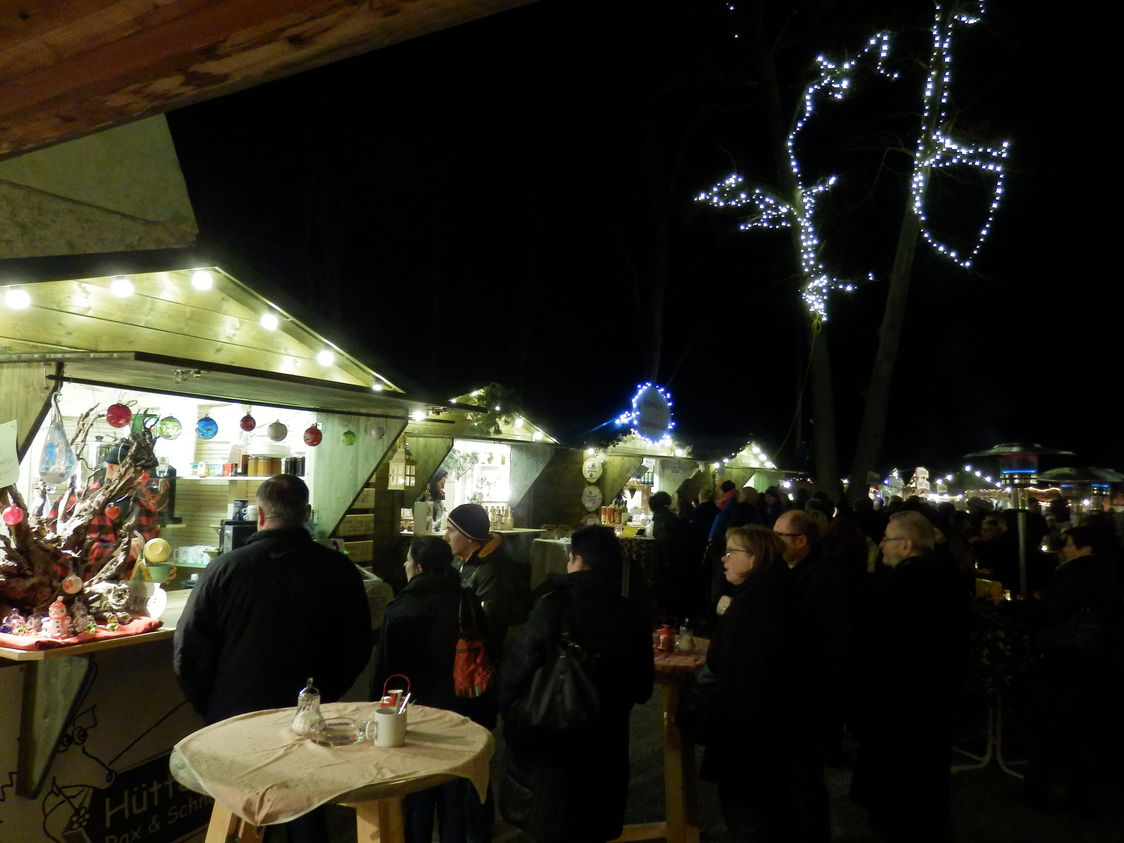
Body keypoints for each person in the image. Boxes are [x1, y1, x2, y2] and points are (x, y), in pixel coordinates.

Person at [173, 474, 371, 843]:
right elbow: (357, 645)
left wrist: (213, 707)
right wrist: (322, 694)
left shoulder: (225, 568)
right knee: (306, 804)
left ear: (260, 515)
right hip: (308, 715)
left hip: (237, 716)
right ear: (306, 514)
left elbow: (189, 649)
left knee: (240, 813)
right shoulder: (338, 569)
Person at [499, 525, 653, 842]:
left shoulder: (553, 605)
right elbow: (642, 688)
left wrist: (514, 718)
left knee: (552, 826)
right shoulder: (632, 614)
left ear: (577, 560)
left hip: (554, 743)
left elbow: (517, 670)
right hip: (606, 745)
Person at [851, 511, 969, 842]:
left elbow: (879, 648)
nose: (881, 545)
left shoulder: (898, 587)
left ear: (906, 545)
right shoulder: (950, 580)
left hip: (899, 707)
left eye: (886, 539)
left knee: (898, 798)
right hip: (938, 704)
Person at [373, 537, 471, 843]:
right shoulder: (465, 601)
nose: (404, 565)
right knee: (455, 792)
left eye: (408, 560)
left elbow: (387, 674)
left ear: (418, 568)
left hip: (415, 710)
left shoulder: (401, 609)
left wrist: (379, 716)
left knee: (418, 793)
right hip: (460, 706)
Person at [1022, 525, 1121, 812]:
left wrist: (1032, 606)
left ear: (1084, 547)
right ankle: (1082, 794)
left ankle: (1038, 791)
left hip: (1065, 659)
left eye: (1068, 544)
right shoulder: (1110, 572)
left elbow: (1051, 613)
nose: (1063, 550)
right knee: (1088, 731)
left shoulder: (1073, 574)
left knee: (1049, 727)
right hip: (1098, 660)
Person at [701, 525, 790, 839]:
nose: (724, 559)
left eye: (731, 552)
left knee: (745, 806)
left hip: (746, 722)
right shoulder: (774, 591)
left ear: (755, 558)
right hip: (766, 721)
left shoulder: (753, 603)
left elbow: (727, 660)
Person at [773, 508, 850, 843]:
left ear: (800, 541)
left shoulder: (821, 580)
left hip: (808, 695)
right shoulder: (791, 572)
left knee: (804, 778)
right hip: (793, 691)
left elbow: (822, 641)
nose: (773, 541)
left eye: (779, 536)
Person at [49, 441, 159, 579]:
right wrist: (114, 549)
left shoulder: (147, 510)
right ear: (111, 468)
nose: (139, 481)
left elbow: (149, 558)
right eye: (134, 474)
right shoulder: (72, 504)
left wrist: (159, 568)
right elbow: (54, 552)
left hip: (131, 589)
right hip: (84, 588)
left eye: (144, 476)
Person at [444, 502, 528, 661]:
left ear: (470, 536)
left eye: (451, 530)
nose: (445, 537)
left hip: (479, 658)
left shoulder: (493, 572)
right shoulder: (459, 560)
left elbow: (489, 626)